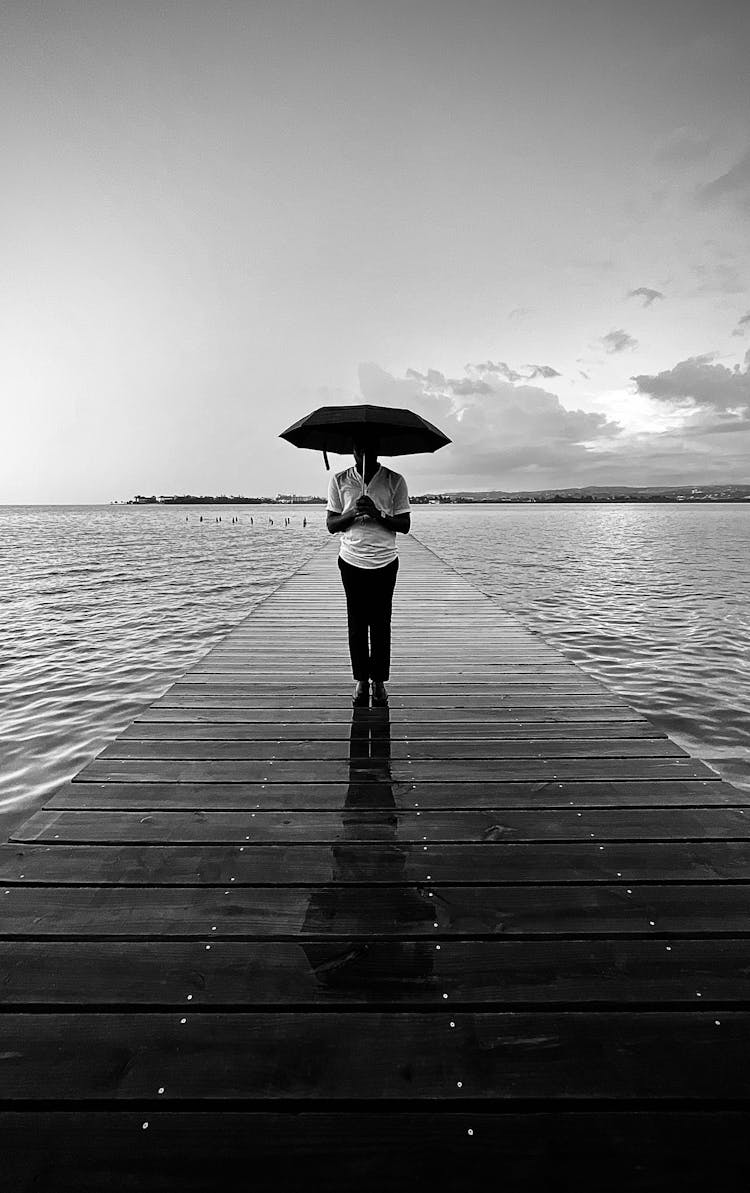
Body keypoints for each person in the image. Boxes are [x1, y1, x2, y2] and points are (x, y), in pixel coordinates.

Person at [326, 436, 411, 706]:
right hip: (351, 560)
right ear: (352, 451)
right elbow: (331, 523)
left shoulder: (394, 480)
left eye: (369, 448)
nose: (363, 453)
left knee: (381, 622)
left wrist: (377, 514)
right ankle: (361, 680)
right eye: (358, 448)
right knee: (357, 622)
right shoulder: (340, 480)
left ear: (377, 450)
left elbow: (405, 524)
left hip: (385, 561)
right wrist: (352, 513)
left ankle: (379, 682)